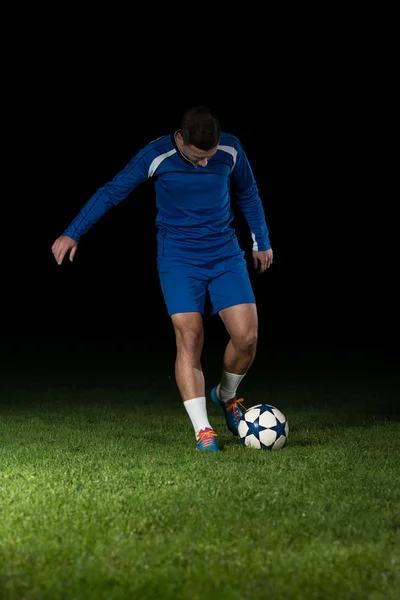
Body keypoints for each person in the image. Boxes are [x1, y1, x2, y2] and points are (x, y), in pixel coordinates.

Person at [51, 105, 273, 452]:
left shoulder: (230, 149)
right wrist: (72, 233)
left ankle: (226, 397)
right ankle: (204, 431)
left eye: (209, 157)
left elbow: (248, 192)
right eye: (198, 158)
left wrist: (261, 242)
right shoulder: (156, 155)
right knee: (190, 337)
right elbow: (112, 192)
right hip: (179, 259)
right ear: (181, 138)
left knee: (247, 338)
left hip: (225, 254)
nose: (204, 164)